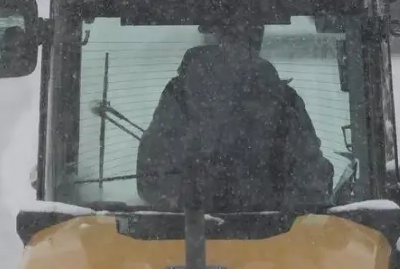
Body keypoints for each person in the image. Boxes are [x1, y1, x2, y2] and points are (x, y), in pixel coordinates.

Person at [135, 14, 337, 211]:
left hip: (186, 235)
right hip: (272, 236)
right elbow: (311, 181)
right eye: (251, 33)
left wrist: (193, 204)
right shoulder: (283, 101)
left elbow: (153, 176)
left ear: (213, 36)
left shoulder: (179, 96)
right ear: (256, 40)